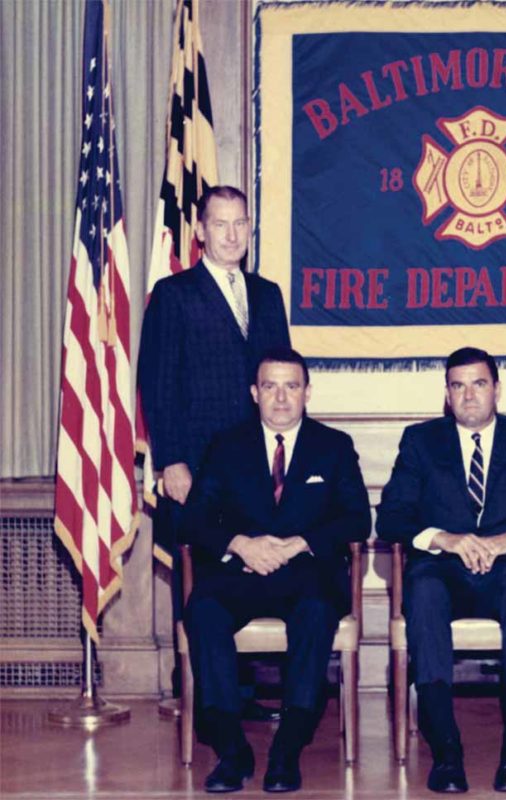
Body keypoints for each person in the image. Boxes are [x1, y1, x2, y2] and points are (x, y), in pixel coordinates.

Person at [376, 347, 506, 794]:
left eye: (479, 384)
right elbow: (390, 517)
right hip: (444, 573)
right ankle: (446, 752)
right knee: (423, 589)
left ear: (497, 390)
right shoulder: (420, 441)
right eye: (458, 386)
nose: (468, 396)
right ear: (447, 395)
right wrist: (445, 538)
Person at [182, 347, 371, 793]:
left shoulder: (334, 446)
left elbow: (357, 519)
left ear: (307, 392)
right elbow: (192, 518)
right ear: (254, 393)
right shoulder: (226, 447)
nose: (281, 398)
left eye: (291, 387)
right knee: (203, 610)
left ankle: (288, 747)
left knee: (316, 612)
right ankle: (231, 749)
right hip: (241, 574)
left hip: (306, 574)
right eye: (270, 387)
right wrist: (241, 545)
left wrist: (300, 544)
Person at [138, 185, 291, 721]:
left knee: (251, 570)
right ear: (199, 230)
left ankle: (245, 692)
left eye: (240, 224)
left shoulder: (267, 294)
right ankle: (203, 700)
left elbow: (282, 378)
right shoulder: (174, 293)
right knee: (203, 577)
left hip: (255, 464)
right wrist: (171, 459)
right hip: (197, 465)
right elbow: (156, 383)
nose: (232, 235)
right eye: (220, 224)